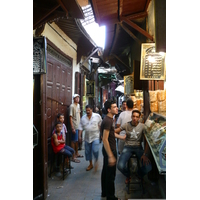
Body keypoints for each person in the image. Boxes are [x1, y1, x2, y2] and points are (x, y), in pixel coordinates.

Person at [115, 109, 152, 184]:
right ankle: (129, 175)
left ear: (139, 118)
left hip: (138, 147)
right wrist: (120, 137)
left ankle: (138, 174)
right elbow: (115, 131)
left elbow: (148, 140)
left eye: (137, 117)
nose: (135, 118)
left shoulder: (142, 126)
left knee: (148, 167)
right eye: (133, 116)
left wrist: (145, 154)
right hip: (127, 147)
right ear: (131, 117)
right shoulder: (126, 125)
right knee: (120, 166)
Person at [101, 100, 125, 200]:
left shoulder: (110, 119)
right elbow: (105, 139)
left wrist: (121, 137)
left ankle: (105, 193)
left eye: (116, 106)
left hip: (108, 149)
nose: (117, 108)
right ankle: (111, 197)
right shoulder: (107, 121)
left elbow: (111, 134)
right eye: (114, 107)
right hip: (109, 149)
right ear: (109, 110)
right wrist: (110, 155)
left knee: (106, 172)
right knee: (111, 175)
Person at [78, 105, 102, 171]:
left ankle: (96, 160)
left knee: (95, 150)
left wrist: (102, 134)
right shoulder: (83, 118)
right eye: (87, 110)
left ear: (92, 109)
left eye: (89, 110)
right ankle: (90, 164)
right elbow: (80, 127)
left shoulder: (97, 116)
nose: (88, 111)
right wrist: (79, 136)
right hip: (87, 137)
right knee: (88, 152)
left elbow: (100, 125)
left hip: (95, 136)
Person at [69, 94, 83, 163]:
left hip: (78, 125)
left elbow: (79, 114)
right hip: (74, 126)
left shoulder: (78, 105)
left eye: (78, 97)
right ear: (73, 99)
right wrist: (72, 128)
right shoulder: (72, 106)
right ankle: (73, 155)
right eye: (76, 98)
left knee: (77, 140)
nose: (77, 99)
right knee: (73, 141)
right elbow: (70, 117)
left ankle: (77, 153)